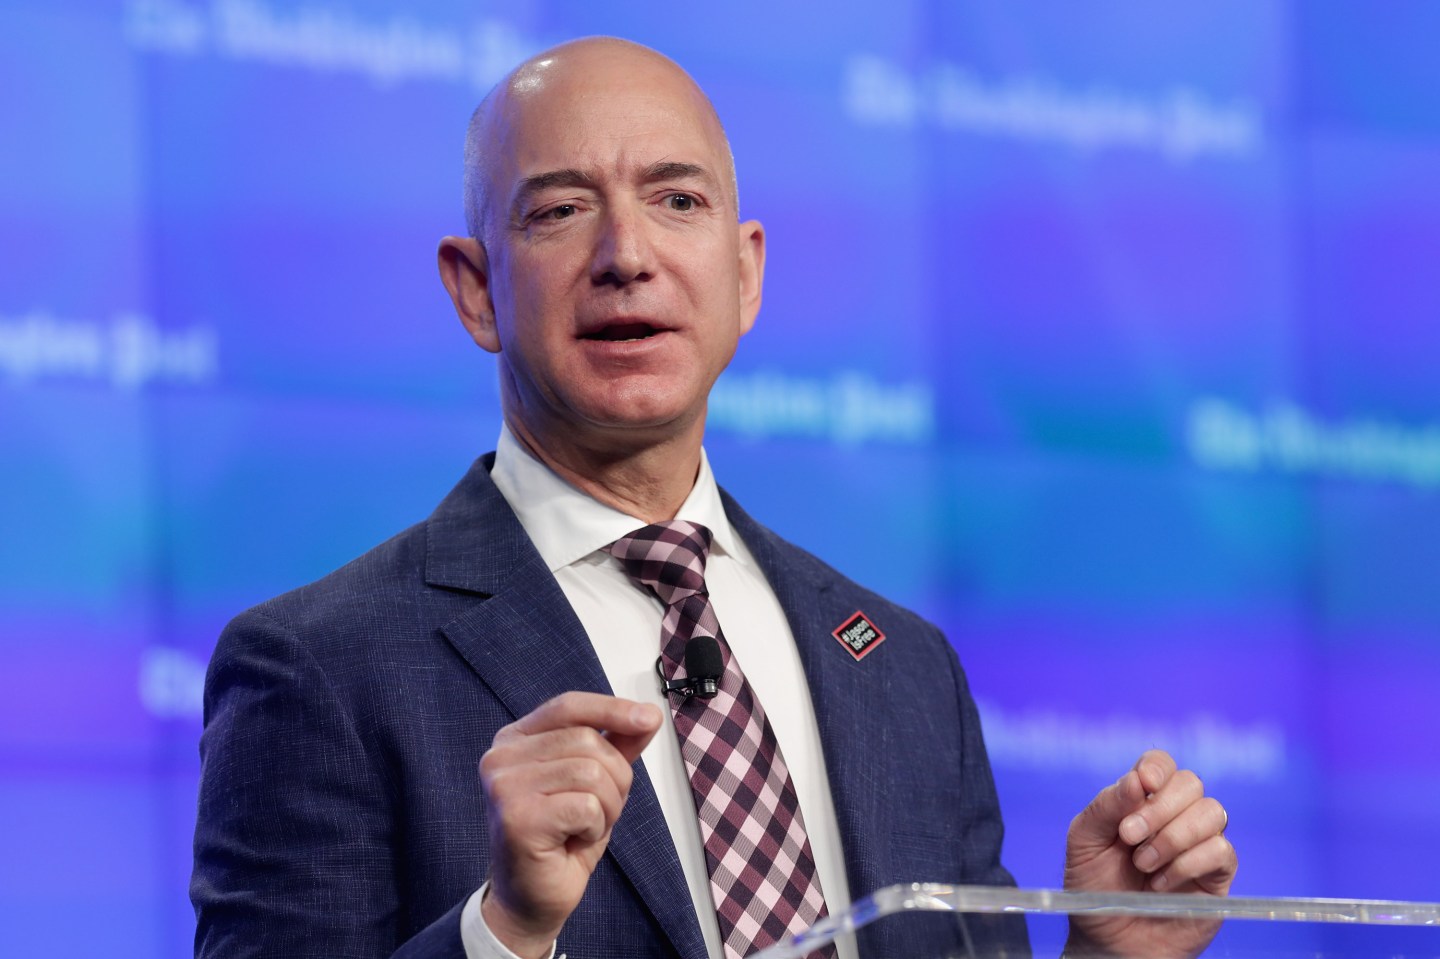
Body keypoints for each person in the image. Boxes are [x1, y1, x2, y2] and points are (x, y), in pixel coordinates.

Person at [191, 36, 1237, 959]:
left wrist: (1109, 954)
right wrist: (504, 931)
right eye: (560, 210)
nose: (626, 255)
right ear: (476, 289)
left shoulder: (906, 672)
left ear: (746, 276)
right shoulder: (320, 667)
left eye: (677, 200)